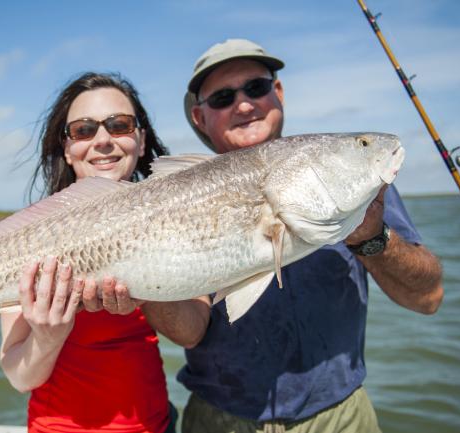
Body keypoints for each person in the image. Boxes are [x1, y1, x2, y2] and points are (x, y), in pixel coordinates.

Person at [151, 39, 444, 432]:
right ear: (199, 118)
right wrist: (140, 283)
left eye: (256, 88)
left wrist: (373, 238)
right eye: (222, 97)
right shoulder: (180, 198)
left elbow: (428, 299)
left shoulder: (357, 188)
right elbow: (188, 331)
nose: (243, 105)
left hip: (341, 417)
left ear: (279, 92)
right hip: (220, 418)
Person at [0, 72, 177, 433]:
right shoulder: (29, 239)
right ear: (67, 148)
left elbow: (194, 331)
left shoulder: (177, 213)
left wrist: (150, 294)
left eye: (119, 125)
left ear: (141, 141)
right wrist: (48, 337)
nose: (102, 140)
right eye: (83, 130)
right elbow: (19, 376)